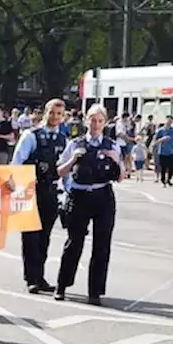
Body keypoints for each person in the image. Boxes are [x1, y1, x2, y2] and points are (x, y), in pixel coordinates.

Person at [55, 104, 124, 305]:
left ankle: (95, 291)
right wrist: (73, 159)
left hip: (103, 195)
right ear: (86, 121)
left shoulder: (112, 145)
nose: (95, 124)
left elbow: (120, 177)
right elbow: (60, 171)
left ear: (105, 123)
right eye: (92, 120)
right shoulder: (75, 143)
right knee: (74, 243)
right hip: (79, 195)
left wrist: (116, 161)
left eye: (100, 121)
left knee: (102, 245)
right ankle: (62, 285)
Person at [12, 98, 68, 294]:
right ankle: (31, 278)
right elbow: (17, 162)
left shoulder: (63, 139)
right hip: (29, 190)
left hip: (50, 191)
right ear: (46, 113)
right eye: (52, 112)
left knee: (45, 237)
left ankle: (40, 276)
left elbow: (65, 169)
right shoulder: (31, 135)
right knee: (30, 237)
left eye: (59, 114)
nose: (55, 117)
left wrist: (68, 190)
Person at [153, 116, 173, 187]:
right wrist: (162, 139)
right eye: (168, 121)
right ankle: (163, 180)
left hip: (172, 151)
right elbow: (155, 141)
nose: (169, 122)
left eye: (171, 121)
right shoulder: (161, 130)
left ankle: (169, 179)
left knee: (171, 167)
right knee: (163, 167)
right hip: (163, 151)